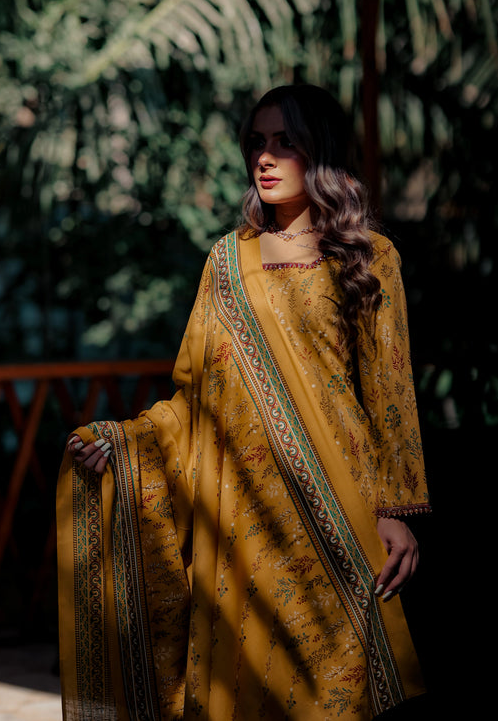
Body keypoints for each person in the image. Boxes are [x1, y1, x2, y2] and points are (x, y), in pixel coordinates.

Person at [57, 84, 431, 720]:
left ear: (321, 151)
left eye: (286, 141)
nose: (265, 156)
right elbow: (196, 398)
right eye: (257, 142)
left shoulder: (368, 256)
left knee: (338, 691)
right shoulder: (227, 262)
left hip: (339, 510)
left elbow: (389, 390)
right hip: (244, 516)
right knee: (247, 682)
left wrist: (396, 509)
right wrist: (126, 443)